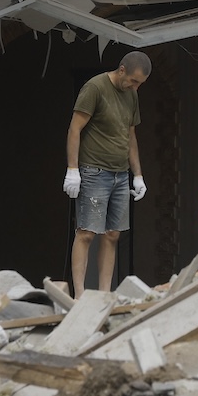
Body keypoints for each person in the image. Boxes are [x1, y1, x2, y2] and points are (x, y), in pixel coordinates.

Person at [62, 51, 150, 295]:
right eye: (133, 80)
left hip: (120, 175)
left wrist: (138, 175)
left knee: (112, 235)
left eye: (140, 83)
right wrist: (72, 169)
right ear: (122, 70)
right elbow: (74, 129)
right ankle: (79, 295)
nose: (135, 86)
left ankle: (104, 293)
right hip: (93, 171)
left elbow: (130, 136)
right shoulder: (95, 88)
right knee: (87, 233)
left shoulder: (132, 95)